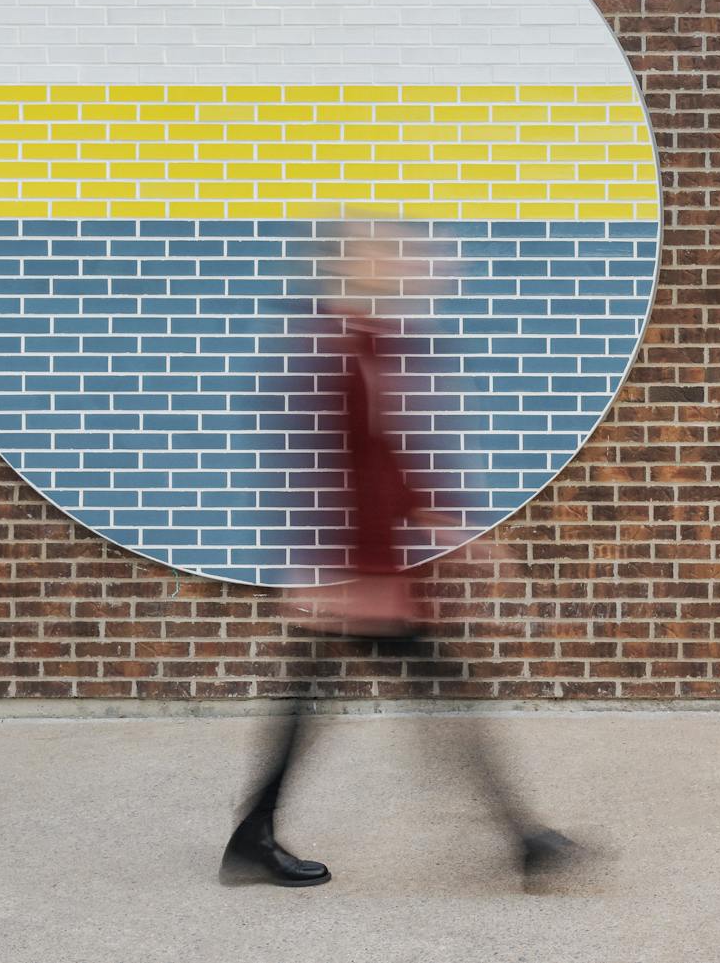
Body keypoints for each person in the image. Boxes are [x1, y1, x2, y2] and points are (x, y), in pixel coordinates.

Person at [220, 222, 579, 890]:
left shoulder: (377, 343)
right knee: (439, 692)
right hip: (360, 572)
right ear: (349, 266)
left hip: (371, 569)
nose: (400, 259)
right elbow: (319, 466)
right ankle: (525, 838)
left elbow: (391, 459)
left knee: (323, 696)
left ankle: (253, 834)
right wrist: (339, 572)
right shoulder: (331, 346)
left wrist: (457, 529)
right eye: (381, 250)